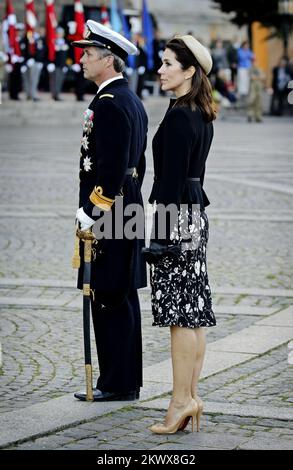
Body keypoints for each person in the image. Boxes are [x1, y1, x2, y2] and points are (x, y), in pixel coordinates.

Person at [143, 35, 217, 434]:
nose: (161, 69)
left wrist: (157, 237)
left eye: (169, 63)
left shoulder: (179, 116)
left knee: (179, 318)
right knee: (192, 316)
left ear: (190, 71)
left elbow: (169, 182)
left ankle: (181, 402)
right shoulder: (198, 112)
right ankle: (190, 397)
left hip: (176, 217)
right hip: (193, 216)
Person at [72, 20, 148, 402]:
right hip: (125, 204)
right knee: (121, 292)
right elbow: (139, 165)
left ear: (108, 60)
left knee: (108, 293)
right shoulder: (130, 99)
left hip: (110, 210)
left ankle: (117, 383)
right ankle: (123, 379)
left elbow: (113, 167)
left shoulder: (110, 103)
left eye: (87, 53)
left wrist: (92, 210)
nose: (81, 59)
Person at [247, 58, 265, 122]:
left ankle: (258, 117)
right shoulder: (250, 69)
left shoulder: (260, 69)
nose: (254, 63)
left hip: (259, 87)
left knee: (259, 102)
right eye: (253, 62)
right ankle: (250, 115)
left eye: (255, 62)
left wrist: (257, 77)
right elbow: (252, 77)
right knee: (251, 101)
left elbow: (263, 77)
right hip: (253, 87)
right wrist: (258, 77)